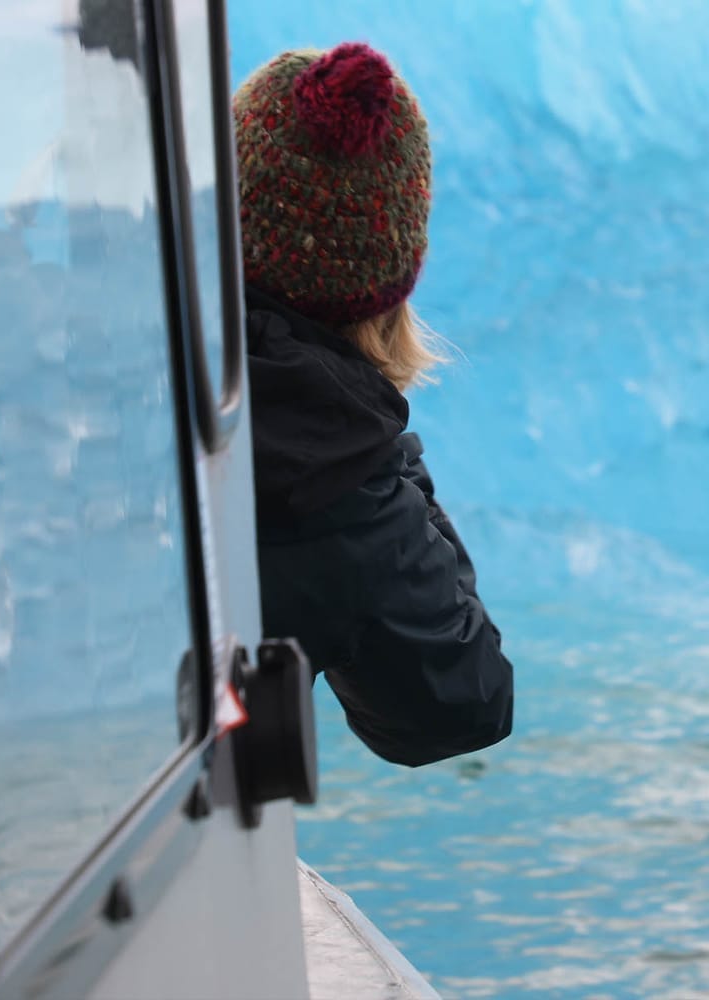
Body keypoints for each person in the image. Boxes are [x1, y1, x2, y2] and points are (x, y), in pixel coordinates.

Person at [235, 42, 514, 766]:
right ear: (389, 271)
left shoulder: (100, 340)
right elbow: (464, 704)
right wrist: (380, 437)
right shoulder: (337, 476)